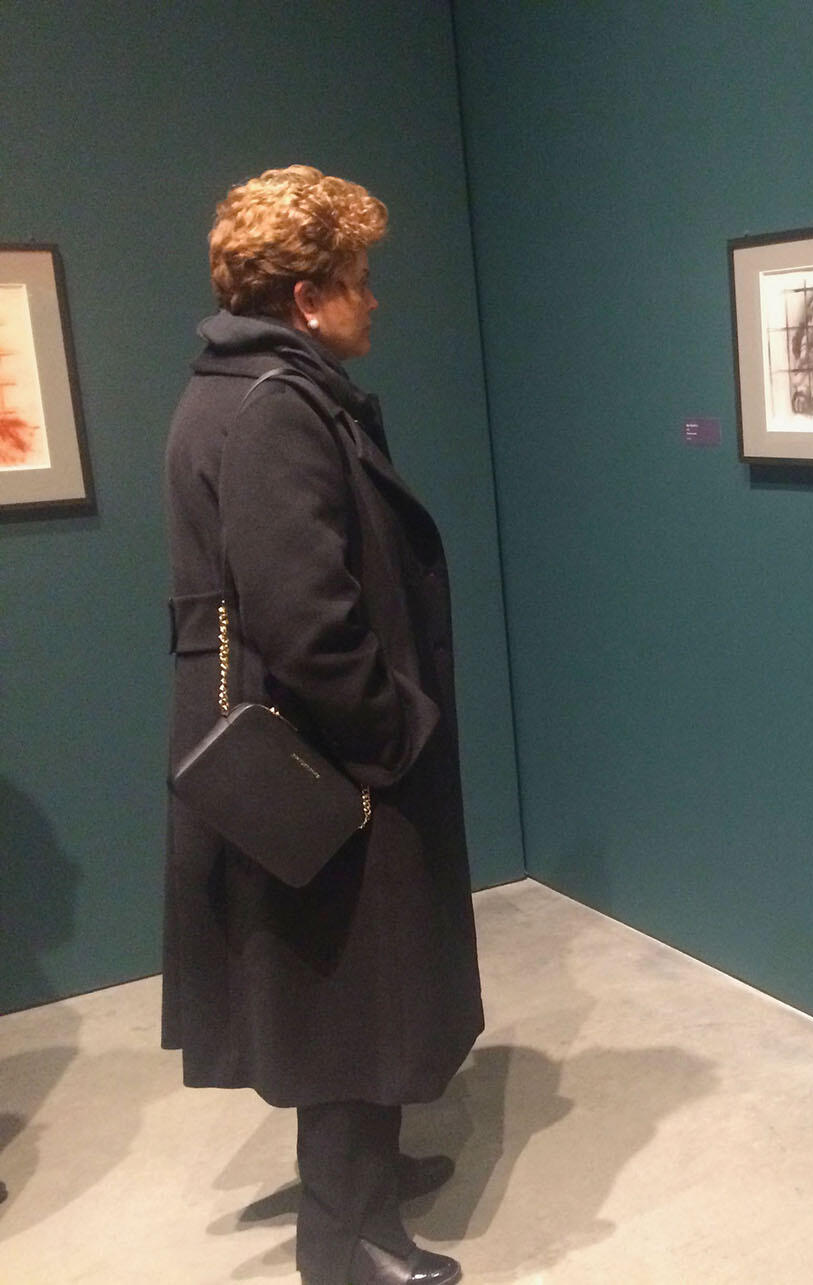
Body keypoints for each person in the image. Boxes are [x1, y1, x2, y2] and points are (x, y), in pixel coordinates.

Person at [163, 166, 482, 1285]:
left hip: (302, 741)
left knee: (346, 981)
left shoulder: (242, 391)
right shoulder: (276, 410)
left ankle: (365, 1178)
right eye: (358, 278)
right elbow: (305, 618)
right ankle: (348, 1244)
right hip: (326, 751)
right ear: (306, 297)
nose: (373, 299)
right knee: (350, 987)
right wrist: (392, 734)